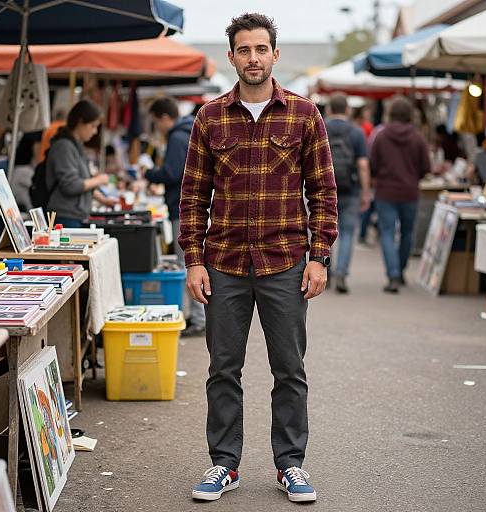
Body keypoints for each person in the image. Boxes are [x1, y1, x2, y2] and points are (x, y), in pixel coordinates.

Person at [179, 13, 337, 503]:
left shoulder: (305, 115)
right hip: (223, 262)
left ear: (275, 54)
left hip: (285, 263)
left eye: (261, 49)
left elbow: (324, 191)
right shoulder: (209, 117)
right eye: (244, 50)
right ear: (231, 57)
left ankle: (290, 464)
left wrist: (319, 257)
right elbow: (192, 195)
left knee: (289, 369)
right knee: (223, 369)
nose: (253, 58)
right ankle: (224, 465)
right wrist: (193, 259)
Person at [145, 97, 206, 337]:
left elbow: (172, 173)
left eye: (155, 122)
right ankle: (199, 316)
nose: (156, 128)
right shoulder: (188, 132)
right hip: (191, 207)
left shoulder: (177, 137)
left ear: (163, 118)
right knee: (194, 263)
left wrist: (149, 173)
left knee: (189, 264)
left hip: (182, 208)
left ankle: (200, 320)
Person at [370, 96, 431, 293]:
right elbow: (426, 167)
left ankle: (393, 275)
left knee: (387, 233)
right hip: (410, 192)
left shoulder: (381, 136)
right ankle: (401, 270)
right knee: (407, 233)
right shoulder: (418, 137)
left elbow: (373, 165)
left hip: (385, 191)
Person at [325, 93, 371, 293]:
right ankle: (342, 274)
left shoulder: (321, 127)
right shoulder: (357, 132)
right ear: (348, 110)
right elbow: (362, 165)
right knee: (347, 233)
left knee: (324, 232)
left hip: (324, 189)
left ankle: (325, 272)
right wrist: (366, 192)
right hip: (350, 189)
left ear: (328, 109)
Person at [46, 99, 112, 227]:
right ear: (80, 122)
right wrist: (99, 180)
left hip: (75, 215)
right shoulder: (64, 146)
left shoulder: (76, 146)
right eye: (93, 126)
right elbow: (71, 185)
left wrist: (104, 200)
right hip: (65, 217)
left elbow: (83, 182)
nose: (95, 131)